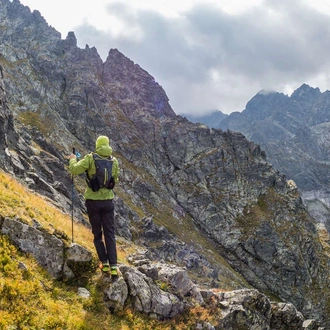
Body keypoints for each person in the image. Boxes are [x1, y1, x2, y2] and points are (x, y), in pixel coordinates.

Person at [68, 135, 119, 278]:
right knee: (110, 233)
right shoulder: (114, 161)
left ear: (97, 145)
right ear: (108, 145)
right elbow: (116, 179)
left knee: (97, 233)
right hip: (108, 202)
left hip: (93, 202)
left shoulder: (90, 158)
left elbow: (74, 170)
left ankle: (104, 264)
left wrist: (73, 158)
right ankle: (114, 267)